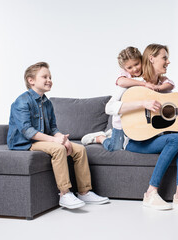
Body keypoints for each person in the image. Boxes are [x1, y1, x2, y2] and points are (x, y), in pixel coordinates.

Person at [83, 44, 178, 211]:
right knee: (175, 139)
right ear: (152, 59)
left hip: (154, 136)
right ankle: (150, 193)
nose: (168, 62)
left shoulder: (164, 89)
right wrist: (143, 103)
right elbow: (109, 108)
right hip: (132, 139)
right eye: (164, 58)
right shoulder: (133, 83)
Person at [7, 62, 109, 209]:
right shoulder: (22, 101)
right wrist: (55, 141)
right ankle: (64, 193)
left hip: (42, 139)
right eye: (44, 77)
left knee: (79, 149)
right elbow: (27, 131)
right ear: (31, 80)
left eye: (50, 77)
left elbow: (53, 127)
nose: (49, 80)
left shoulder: (47, 103)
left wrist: (63, 138)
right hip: (24, 142)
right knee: (58, 149)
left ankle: (84, 192)